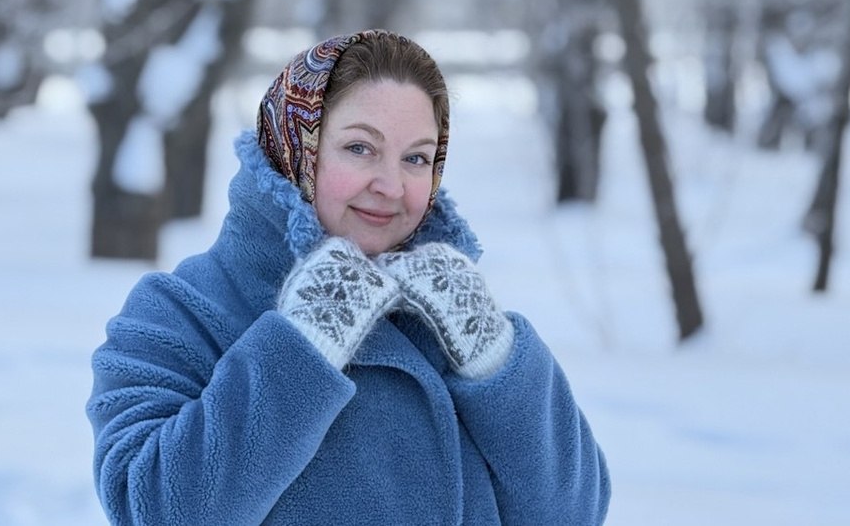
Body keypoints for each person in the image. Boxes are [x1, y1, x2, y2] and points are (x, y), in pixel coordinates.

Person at [86, 29, 611, 525]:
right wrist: (302, 345)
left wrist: (494, 359)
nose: (391, 186)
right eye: (360, 148)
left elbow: (575, 514)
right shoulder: (178, 313)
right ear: (296, 147)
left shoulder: (447, 316)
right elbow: (153, 510)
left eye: (416, 158)